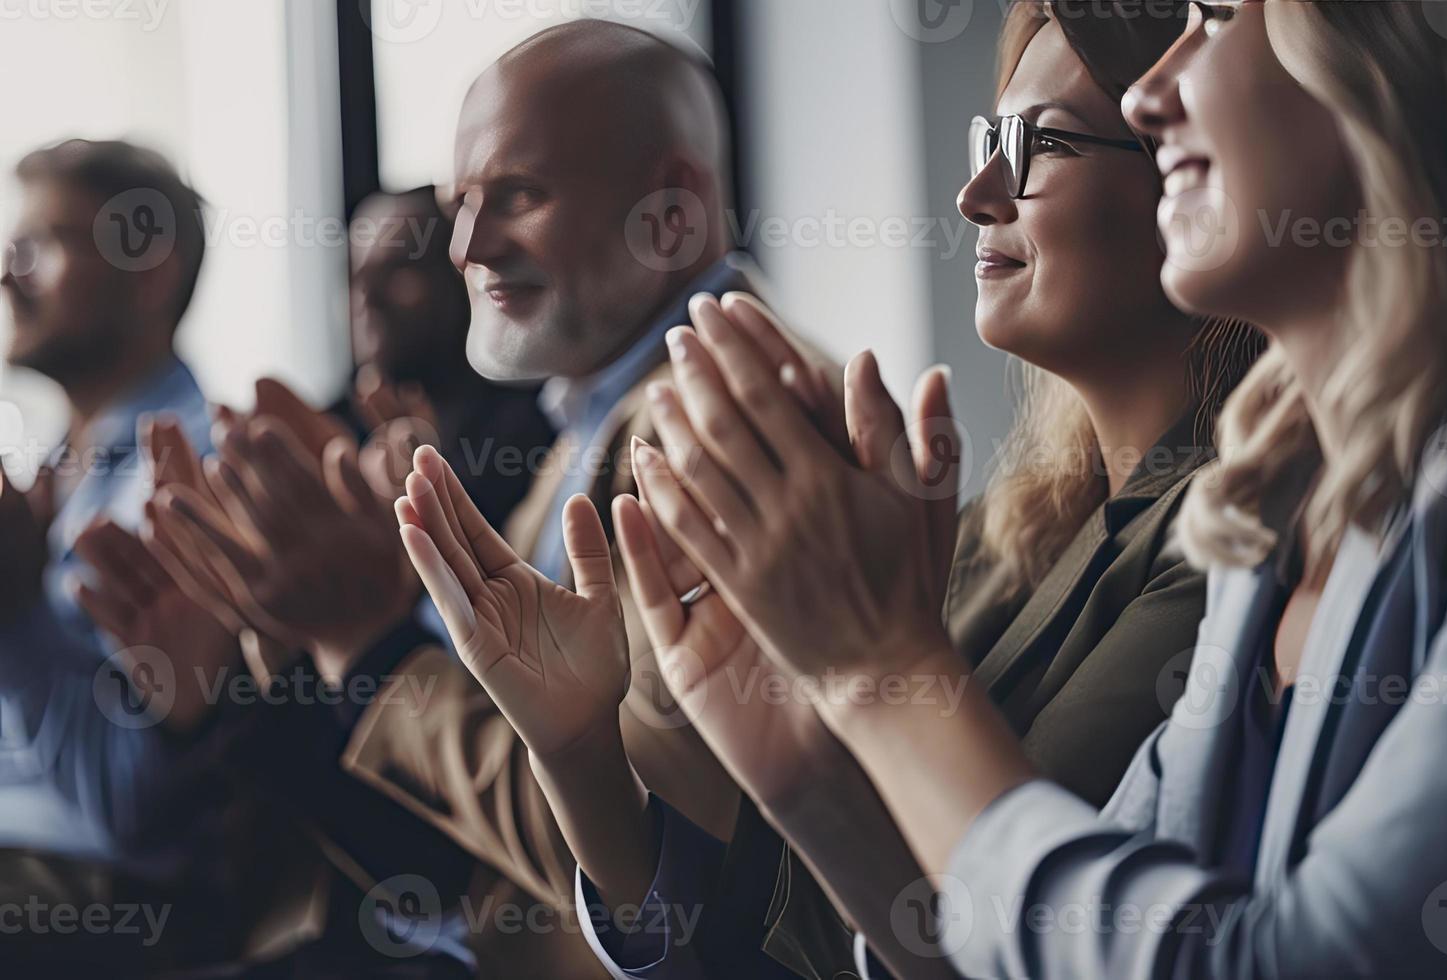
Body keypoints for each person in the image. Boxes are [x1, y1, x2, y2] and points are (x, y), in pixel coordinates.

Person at [399, 3, 1261, 976]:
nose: (978, 190)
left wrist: (378, 655)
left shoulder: (1236, 544)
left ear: (1200, 164)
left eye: (1042, 144)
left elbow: (1008, 939)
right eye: (991, 139)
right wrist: (579, 751)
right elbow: (776, 929)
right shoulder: (996, 529)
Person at [622, 0, 1447, 976]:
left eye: (1224, 16)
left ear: (1389, 53)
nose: (1155, 93)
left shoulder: (1233, 534)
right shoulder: (1268, 532)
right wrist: (805, 768)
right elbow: (1046, 945)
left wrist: (876, 669)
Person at [154, 17, 771, 977]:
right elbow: (472, 848)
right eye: (461, 204)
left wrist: (366, 640)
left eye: (518, 194)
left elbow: (654, 881)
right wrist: (295, 639)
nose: (469, 246)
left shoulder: (710, 426)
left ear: (675, 209)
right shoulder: (604, 418)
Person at [0, 139, 226, 854]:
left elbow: (136, 815)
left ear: (148, 275)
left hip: (85, 883)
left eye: (39, 247)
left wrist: (15, 616)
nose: (6, 273)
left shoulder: (195, 481)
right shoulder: (55, 464)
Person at [347, 185, 553, 531]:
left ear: (458, 279)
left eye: (398, 274)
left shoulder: (530, 431)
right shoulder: (334, 434)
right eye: (358, 279)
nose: (369, 298)